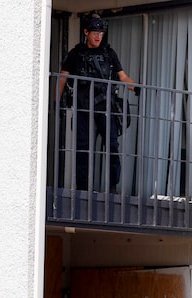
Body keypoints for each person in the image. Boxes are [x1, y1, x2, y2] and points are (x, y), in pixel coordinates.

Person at [59, 13, 135, 191]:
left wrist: (137, 87)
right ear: (86, 32)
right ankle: (82, 188)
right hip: (83, 106)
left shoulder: (109, 53)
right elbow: (63, 77)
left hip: (105, 106)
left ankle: (113, 189)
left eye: (101, 32)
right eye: (94, 32)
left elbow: (123, 76)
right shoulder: (76, 53)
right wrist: (55, 102)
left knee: (112, 146)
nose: (98, 36)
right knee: (83, 148)